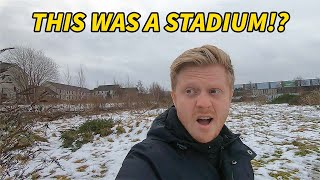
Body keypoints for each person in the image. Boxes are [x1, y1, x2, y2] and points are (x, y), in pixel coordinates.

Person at [116, 45, 256, 180]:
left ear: (230, 97)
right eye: (190, 91)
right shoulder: (148, 162)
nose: (203, 104)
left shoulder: (237, 156)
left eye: (214, 91)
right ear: (175, 98)